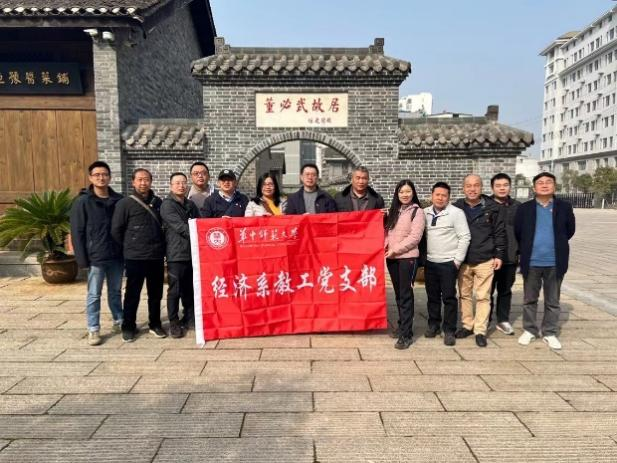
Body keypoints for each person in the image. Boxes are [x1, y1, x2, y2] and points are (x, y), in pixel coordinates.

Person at [515, 172, 575, 350]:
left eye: (549, 182)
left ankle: (549, 332)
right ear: (534, 187)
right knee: (529, 299)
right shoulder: (524, 208)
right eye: (540, 183)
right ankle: (530, 330)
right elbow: (518, 232)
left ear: (554, 186)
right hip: (532, 262)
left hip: (555, 262)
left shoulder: (564, 207)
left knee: (553, 301)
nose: (544, 185)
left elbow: (569, 230)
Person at [70, 161, 124, 346]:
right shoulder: (83, 202)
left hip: (116, 255)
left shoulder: (119, 200)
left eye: (105, 174)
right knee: (94, 294)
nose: (101, 178)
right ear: (90, 178)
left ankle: (119, 320)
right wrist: (82, 259)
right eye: (97, 175)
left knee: (115, 291)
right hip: (96, 256)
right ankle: (93, 328)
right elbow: (77, 232)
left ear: (110, 177)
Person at [111, 168, 167, 343]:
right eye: (140, 179)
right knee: (132, 293)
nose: (143, 183)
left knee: (156, 293)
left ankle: (155, 324)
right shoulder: (124, 204)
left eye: (146, 179)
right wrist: (129, 247)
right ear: (133, 182)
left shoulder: (158, 202)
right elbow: (116, 230)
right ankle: (128, 326)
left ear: (151, 181)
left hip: (156, 256)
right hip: (135, 257)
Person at [453, 174, 506, 348]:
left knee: (483, 296)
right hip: (463, 260)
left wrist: (499, 255)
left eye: (476, 185)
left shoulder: (493, 208)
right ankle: (467, 325)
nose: (472, 189)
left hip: (485, 258)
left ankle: (480, 330)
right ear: (463, 188)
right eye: (468, 185)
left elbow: (499, 233)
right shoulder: (456, 208)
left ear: (482, 188)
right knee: (464, 295)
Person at [424, 182, 471, 346]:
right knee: (432, 296)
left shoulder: (456, 213)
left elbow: (465, 236)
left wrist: (457, 261)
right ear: (432, 196)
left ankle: (449, 330)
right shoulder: (424, 212)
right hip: (430, 262)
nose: (440, 198)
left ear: (448, 197)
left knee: (449, 297)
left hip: (448, 263)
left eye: (444, 195)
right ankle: (433, 325)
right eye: (437, 194)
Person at [384, 180, 426, 349]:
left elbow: (415, 238)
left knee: (406, 295)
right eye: (401, 192)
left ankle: (406, 335)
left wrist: (395, 250)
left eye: (408, 191)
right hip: (392, 259)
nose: (405, 194)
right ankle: (403, 325)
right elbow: (387, 233)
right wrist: (386, 247)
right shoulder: (394, 211)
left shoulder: (417, 212)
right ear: (397, 194)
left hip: (407, 259)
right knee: (399, 295)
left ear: (413, 192)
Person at [160, 172, 201, 338]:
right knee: (175, 290)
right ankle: (174, 322)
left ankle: (189, 317)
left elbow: (200, 222)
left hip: (193, 253)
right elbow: (181, 227)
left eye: (183, 182)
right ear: (171, 186)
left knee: (190, 288)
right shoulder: (167, 205)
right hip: (176, 254)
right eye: (177, 183)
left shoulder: (190, 204)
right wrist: (199, 232)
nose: (181, 186)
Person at [489, 173, 521, 336]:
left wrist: (519, 254)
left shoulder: (518, 207)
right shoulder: (485, 205)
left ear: (510, 186)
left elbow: (523, 233)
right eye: (498, 185)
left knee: (505, 290)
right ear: (492, 188)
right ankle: (485, 319)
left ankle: (503, 320)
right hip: (488, 258)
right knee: (486, 292)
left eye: (505, 185)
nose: (502, 188)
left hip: (509, 257)